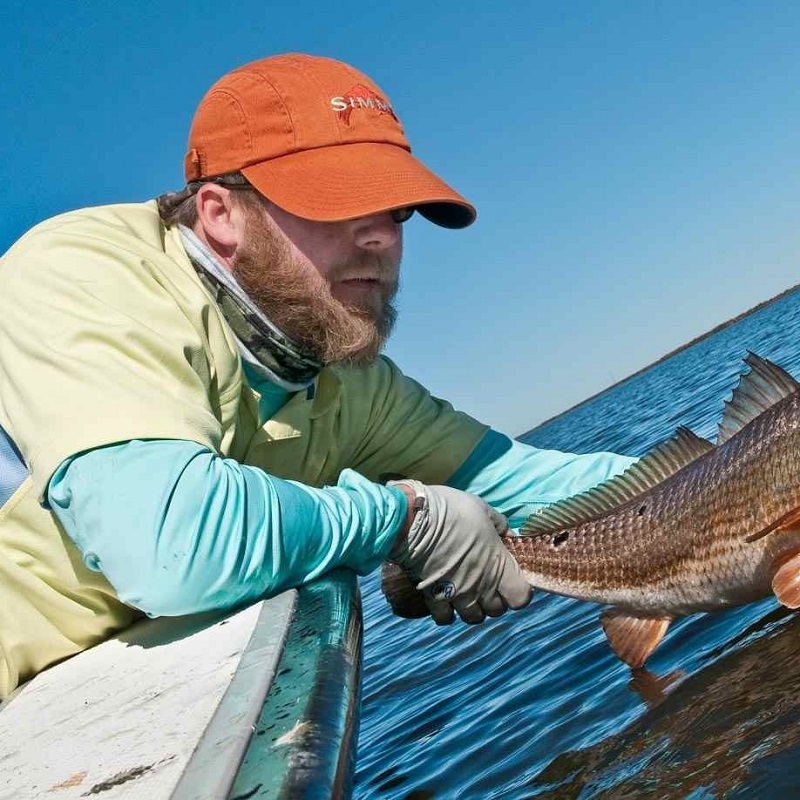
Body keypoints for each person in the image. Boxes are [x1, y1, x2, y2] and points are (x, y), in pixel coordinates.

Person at [0, 53, 634, 698]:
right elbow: (172, 545)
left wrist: (737, 477)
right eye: (342, 201)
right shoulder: (86, 272)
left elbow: (539, 483)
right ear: (221, 213)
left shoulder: (352, 381)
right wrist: (405, 521)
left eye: (397, 210)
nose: (382, 237)